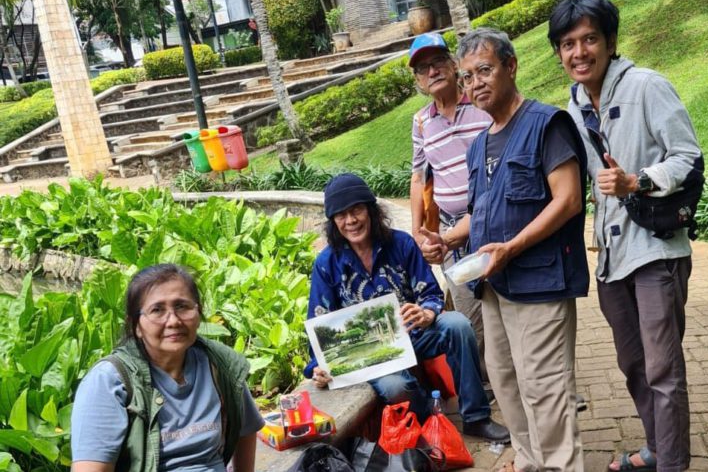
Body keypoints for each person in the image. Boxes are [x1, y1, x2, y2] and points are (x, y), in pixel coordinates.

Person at [419, 27, 589, 472]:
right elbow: (484, 211)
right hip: (493, 286)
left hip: (540, 281)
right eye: (468, 75)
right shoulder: (480, 145)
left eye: (485, 71)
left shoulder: (545, 124)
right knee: (508, 383)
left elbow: (568, 199)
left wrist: (513, 246)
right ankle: (532, 464)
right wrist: (449, 239)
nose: (475, 83)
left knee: (545, 387)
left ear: (511, 67)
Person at [549, 0, 704, 472]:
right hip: (612, 256)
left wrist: (638, 180)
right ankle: (656, 447)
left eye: (590, 39)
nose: (579, 52)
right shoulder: (573, 110)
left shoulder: (646, 86)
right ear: (558, 52)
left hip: (656, 249)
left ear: (610, 41)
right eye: (569, 43)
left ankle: (673, 463)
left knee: (663, 368)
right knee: (634, 364)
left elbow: (688, 156)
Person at [305, 173, 509, 443]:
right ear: (333, 222)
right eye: (341, 215)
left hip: (414, 333)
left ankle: (476, 417)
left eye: (356, 210)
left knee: (458, 325)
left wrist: (427, 312)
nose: (351, 221)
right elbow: (320, 327)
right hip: (372, 355)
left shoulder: (400, 244)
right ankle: (431, 418)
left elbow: (430, 292)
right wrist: (317, 367)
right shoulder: (326, 264)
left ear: (371, 210)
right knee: (396, 386)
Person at [71, 264, 265, 472]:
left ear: (198, 313)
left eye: (182, 306)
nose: (173, 321)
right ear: (136, 325)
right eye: (157, 310)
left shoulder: (219, 364)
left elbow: (246, 429)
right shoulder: (109, 381)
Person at [407, 32, 492, 385]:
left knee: (510, 305)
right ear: (417, 79)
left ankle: (539, 383)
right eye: (423, 68)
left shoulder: (481, 104)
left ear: (453, 64)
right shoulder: (422, 122)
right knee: (470, 311)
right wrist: (416, 231)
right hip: (451, 231)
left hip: (492, 221)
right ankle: (489, 384)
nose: (432, 72)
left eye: (438, 62)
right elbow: (417, 177)